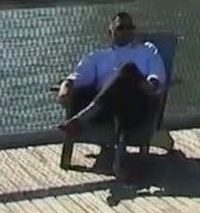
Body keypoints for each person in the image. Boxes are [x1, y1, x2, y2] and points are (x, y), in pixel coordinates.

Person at [56, 12, 165, 148]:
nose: (126, 31)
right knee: (118, 76)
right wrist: (65, 86)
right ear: (110, 31)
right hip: (104, 114)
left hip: (132, 108)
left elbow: (156, 76)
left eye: (130, 27)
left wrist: (149, 85)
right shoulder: (97, 56)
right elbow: (78, 77)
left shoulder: (146, 51)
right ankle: (87, 116)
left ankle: (80, 120)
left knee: (128, 69)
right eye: (120, 27)